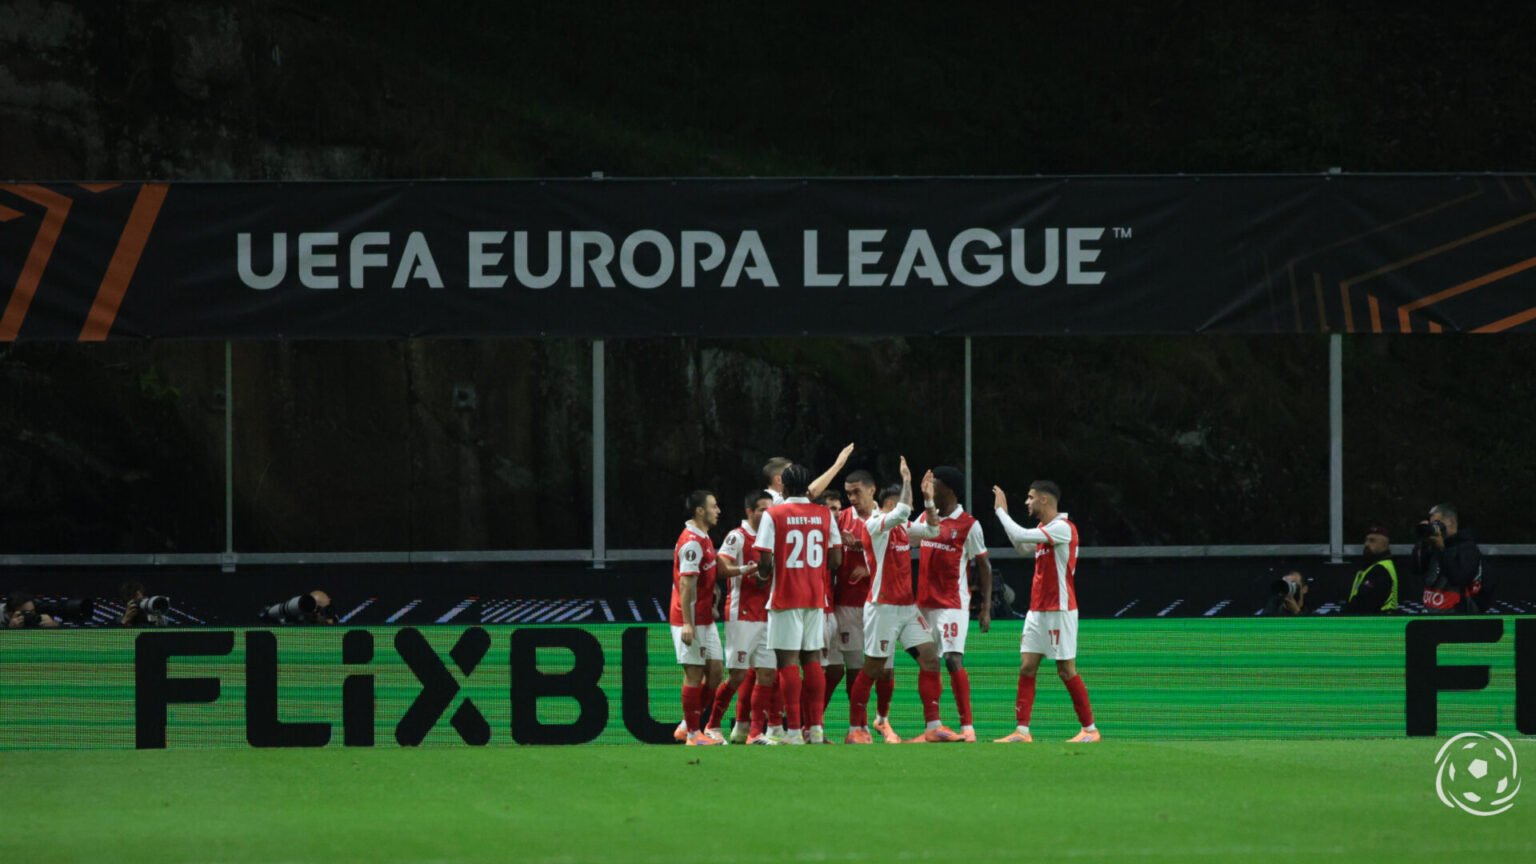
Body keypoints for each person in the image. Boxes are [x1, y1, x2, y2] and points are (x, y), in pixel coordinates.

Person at [845, 457, 962, 744]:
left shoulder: (902, 528)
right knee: (873, 668)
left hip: (906, 608)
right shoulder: (874, 524)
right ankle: (855, 729)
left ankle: (933, 726)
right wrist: (909, 482)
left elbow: (933, 530)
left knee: (931, 659)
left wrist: (929, 501)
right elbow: (902, 512)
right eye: (899, 505)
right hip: (882, 607)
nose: (905, 511)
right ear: (889, 504)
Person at [993, 481, 1099, 744]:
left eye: (1030, 498)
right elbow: (1021, 546)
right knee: (1027, 667)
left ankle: (1090, 729)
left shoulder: (1063, 528)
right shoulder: (1043, 530)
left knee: (1066, 670)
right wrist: (1004, 518)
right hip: (1037, 610)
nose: (1027, 502)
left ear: (1044, 500)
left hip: (1059, 610)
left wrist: (1000, 512)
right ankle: (1022, 731)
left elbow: (1020, 535)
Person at [754, 464, 843, 744]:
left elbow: (765, 560)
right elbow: (837, 559)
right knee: (813, 659)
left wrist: (763, 574)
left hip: (785, 596)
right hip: (816, 597)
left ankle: (793, 731)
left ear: (784, 487)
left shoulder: (774, 514)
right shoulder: (824, 514)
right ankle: (815, 730)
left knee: (788, 662)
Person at [910, 465, 992, 742]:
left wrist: (985, 607)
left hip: (952, 605)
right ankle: (932, 725)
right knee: (927, 661)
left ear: (951, 490)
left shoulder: (970, 525)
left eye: (936, 484)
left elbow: (984, 566)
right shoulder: (925, 517)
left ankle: (967, 727)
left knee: (953, 660)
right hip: (923, 605)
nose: (931, 488)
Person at [705, 490, 776, 744]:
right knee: (737, 675)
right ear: (750, 512)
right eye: (762, 510)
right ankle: (712, 726)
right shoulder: (738, 536)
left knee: (767, 673)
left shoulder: (773, 538)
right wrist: (745, 570)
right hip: (741, 614)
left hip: (768, 614)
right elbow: (720, 566)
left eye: (770, 510)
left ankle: (755, 733)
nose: (767, 514)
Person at [668, 489, 733, 746]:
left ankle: (687, 724)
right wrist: (687, 622)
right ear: (700, 511)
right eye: (714, 506)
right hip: (690, 618)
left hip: (706, 618)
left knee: (716, 672)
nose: (718, 511)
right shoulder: (692, 542)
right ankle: (694, 735)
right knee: (694, 673)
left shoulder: (704, 537)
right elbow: (686, 585)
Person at [832, 470, 879, 742]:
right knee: (854, 667)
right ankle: (856, 728)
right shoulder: (842, 520)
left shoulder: (885, 520)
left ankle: (876, 722)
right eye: (848, 493)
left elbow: (896, 561)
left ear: (872, 490)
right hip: (848, 604)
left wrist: (869, 566)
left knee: (878, 669)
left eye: (856, 492)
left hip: (880, 603)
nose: (852, 498)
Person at [1414, 503, 1485, 613]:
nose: (1434, 528)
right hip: (1431, 613)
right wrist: (1422, 542)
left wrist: (1442, 549)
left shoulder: (1467, 548)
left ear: (1451, 522)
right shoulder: (1433, 545)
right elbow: (1416, 569)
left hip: (1455, 616)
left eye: (1437, 523)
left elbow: (1458, 578)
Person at [761, 443, 856, 504]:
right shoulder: (771, 500)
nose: (796, 473)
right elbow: (811, 492)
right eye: (791, 472)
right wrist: (837, 465)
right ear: (779, 479)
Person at [1343, 525, 1399, 614]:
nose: (1366, 544)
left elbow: (1366, 602)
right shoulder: (1373, 566)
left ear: (1384, 544)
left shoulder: (1381, 569)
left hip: (1379, 621)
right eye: (1366, 540)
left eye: (1372, 541)